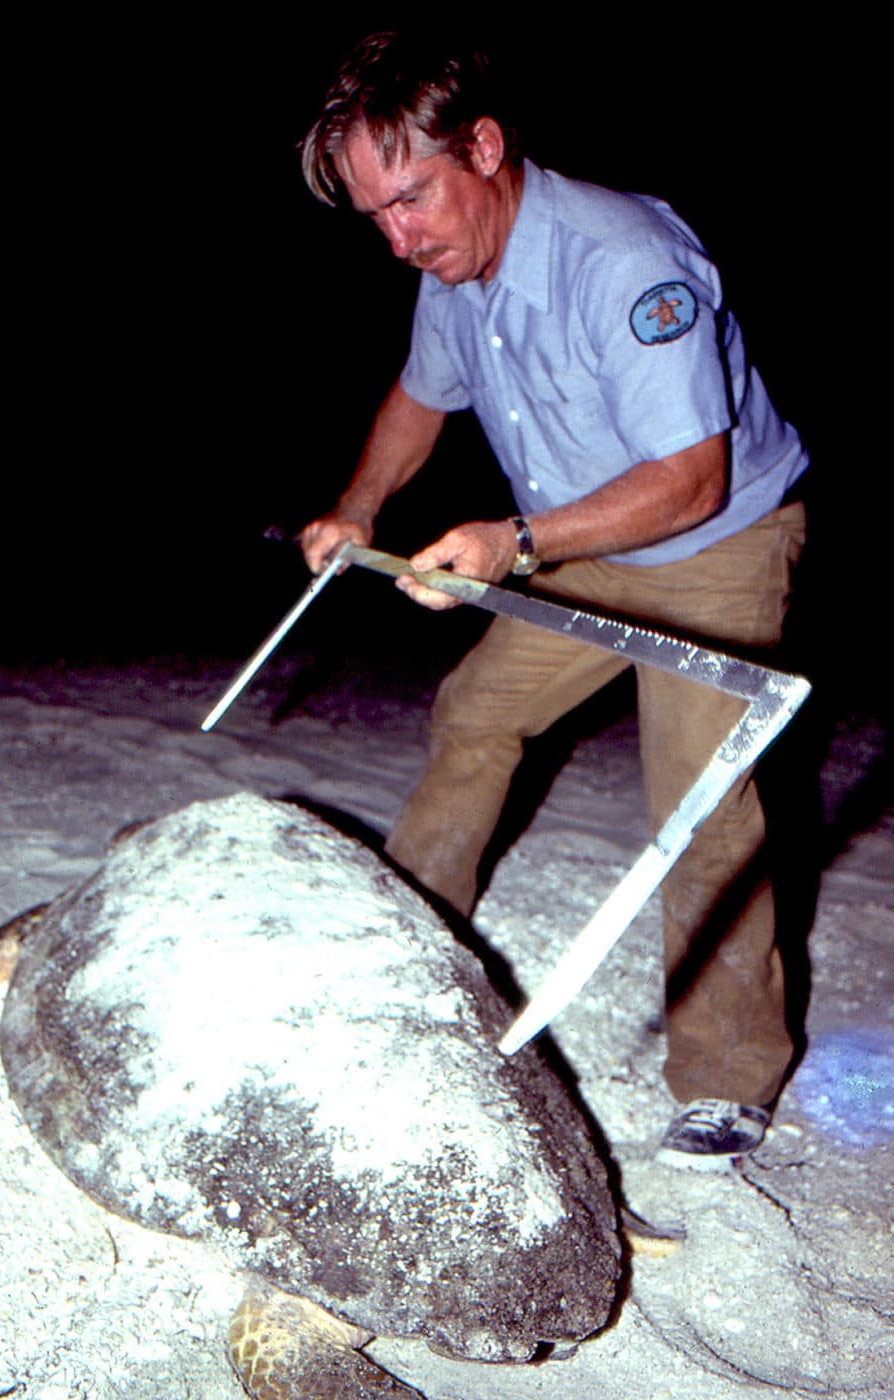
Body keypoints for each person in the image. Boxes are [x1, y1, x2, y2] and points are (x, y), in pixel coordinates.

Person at [299, 32, 808, 1166]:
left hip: (713, 536)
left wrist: (510, 541)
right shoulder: (456, 267)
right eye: (375, 215)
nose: (399, 239)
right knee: (477, 710)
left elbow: (691, 479)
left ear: (484, 147)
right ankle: (404, 948)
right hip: (579, 535)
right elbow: (420, 399)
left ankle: (728, 1075)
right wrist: (360, 505)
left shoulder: (621, 257)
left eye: (413, 199)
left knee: (700, 791)